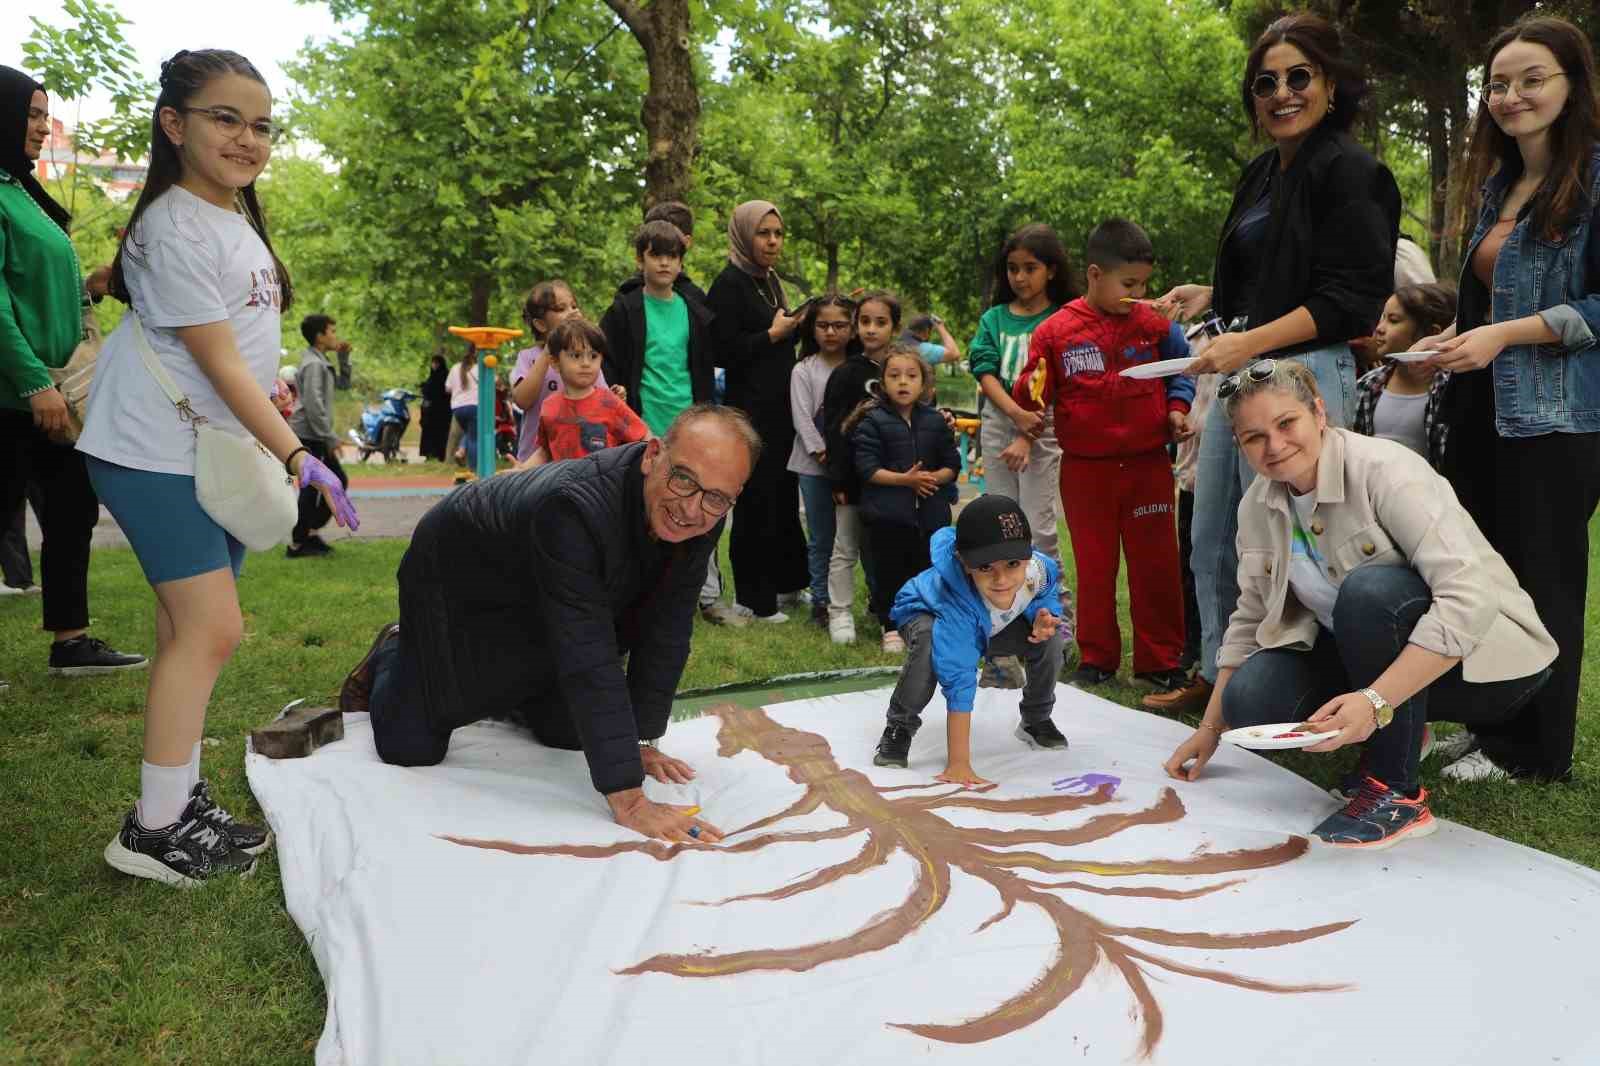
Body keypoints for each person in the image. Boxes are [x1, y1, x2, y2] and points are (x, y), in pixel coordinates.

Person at [74, 49, 358, 885]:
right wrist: (300, 452)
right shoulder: (167, 225)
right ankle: (154, 831)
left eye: (261, 124)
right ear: (175, 125)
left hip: (202, 454)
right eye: (225, 118)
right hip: (150, 452)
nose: (247, 138)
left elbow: (239, 352)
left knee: (184, 632)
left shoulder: (231, 220)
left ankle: (177, 798)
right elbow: (221, 367)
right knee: (211, 628)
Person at [1162, 362, 1554, 849]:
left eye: (1287, 424)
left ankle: (1396, 793)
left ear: (1319, 412)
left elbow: (1468, 598)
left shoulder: (1386, 469)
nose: (1275, 446)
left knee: (1370, 593)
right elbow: (1248, 619)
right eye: (1254, 437)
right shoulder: (1256, 506)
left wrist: (1374, 702)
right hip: (1371, 654)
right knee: (1253, 698)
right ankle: (1404, 728)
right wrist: (1211, 728)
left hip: (1487, 663)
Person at [339, 406, 757, 844]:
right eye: (683, 479)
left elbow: (668, 628)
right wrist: (631, 801)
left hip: (549, 590)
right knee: (411, 745)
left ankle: (526, 688)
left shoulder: (708, 511)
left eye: (716, 497)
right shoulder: (574, 508)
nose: (692, 509)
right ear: (653, 455)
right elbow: (589, 656)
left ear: (732, 496)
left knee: (569, 733)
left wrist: (637, 741)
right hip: (459, 577)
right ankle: (394, 649)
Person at [1149, 13, 1401, 716]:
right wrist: (1214, 296)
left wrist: (1252, 338)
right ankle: (1218, 679)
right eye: (1266, 82)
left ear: (1329, 85)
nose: (1281, 93)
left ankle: (1334, 691)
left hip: (1309, 376)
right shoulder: (1261, 171)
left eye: (1299, 77)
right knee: (1215, 539)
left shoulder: (1354, 171)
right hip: (1242, 376)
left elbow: (1353, 300)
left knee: (1309, 543)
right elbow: (1269, 275)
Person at [1418, 13, 1600, 782]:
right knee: (1488, 574)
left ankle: (1537, 752)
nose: (1512, 95)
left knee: (1545, 576)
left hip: (1556, 419)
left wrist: (1505, 335)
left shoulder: (1593, 177)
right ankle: (1493, 727)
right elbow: (1491, 304)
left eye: (1532, 79)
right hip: (1480, 410)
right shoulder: (1499, 182)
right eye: (1498, 83)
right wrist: (1456, 338)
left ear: (1571, 86)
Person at [0, 65, 147, 679]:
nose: (41, 126)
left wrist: (90, 286)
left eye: (44, 114)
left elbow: (37, 285)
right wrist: (33, 382)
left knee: (70, 511)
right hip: (15, 396)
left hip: (58, 391)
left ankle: (72, 639)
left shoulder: (21, 190)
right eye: (32, 114)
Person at [1012, 219, 1195, 692]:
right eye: (1128, 284)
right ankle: (1097, 658)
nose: (1139, 293)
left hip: (1148, 465)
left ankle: (1161, 660)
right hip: (1085, 471)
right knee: (1094, 566)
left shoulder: (1156, 325)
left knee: (1157, 564)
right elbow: (1034, 387)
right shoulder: (1057, 331)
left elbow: (1183, 371)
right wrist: (1027, 404)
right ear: (1095, 275)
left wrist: (1177, 409)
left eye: (1144, 284)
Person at [872, 494, 1068, 782]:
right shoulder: (956, 601)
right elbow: (958, 675)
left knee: (1051, 640)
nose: (1001, 580)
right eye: (986, 567)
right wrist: (959, 763)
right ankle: (899, 726)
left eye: (1012, 564)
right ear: (964, 562)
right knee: (929, 647)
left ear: (1028, 557)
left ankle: (1035, 719)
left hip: (984, 620)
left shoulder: (1038, 570)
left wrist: (1043, 614)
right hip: (925, 611)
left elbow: (1046, 592)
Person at [706, 200, 808, 622]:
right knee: (756, 502)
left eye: (777, 234)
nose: (771, 242)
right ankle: (755, 597)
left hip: (781, 408)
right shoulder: (729, 284)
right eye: (763, 233)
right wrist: (771, 334)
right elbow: (722, 350)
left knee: (783, 497)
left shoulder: (770, 281)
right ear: (744, 235)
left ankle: (787, 584)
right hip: (749, 411)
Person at [967, 223, 1075, 583]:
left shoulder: (1063, 318)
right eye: (1013, 268)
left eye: (1030, 268)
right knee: (1001, 521)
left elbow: (1059, 380)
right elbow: (984, 370)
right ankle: (1009, 607)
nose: (1020, 277)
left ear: (1052, 270)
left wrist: (1028, 433)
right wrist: (1014, 414)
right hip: (1000, 422)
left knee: (1037, 525)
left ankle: (1053, 610)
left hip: (1043, 425)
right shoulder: (994, 318)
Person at [848, 345, 960, 654]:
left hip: (931, 517)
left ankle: (924, 625)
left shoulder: (936, 421)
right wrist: (906, 481)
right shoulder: (872, 420)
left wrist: (931, 479)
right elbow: (867, 469)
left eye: (911, 376)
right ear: (882, 383)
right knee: (889, 573)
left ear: (924, 383)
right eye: (894, 375)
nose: (903, 382)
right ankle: (891, 627)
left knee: (927, 572)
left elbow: (952, 465)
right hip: (886, 516)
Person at [818, 290, 896, 644]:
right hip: (854, 479)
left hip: (893, 480)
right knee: (845, 547)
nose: (871, 329)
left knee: (885, 552)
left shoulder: (905, 369)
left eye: (880, 322)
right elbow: (833, 431)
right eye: (864, 321)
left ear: (894, 326)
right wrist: (838, 477)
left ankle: (890, 617)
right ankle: (839, 613)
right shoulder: (846, 374)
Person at [599, 220, 716, 435]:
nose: (664, 263)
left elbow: (705, 372)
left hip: (689, 423)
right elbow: (604, 360)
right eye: (655, 255)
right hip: (640, 423)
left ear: (681, 262)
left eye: (672, 256)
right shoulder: (623, 311)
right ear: (639, 260)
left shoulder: (696, 313)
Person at [787, 292, 857, 627]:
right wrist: (823, 453)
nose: (831, 332)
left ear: (853, 328)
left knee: (853, 536)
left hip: (854, 469)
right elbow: (802, 418)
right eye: (823, 325)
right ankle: (820, 600)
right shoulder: (803, 370)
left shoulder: (860, 369)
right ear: (812, 329)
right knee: (821, 536)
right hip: (813, 466)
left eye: (840, 325)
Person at [519, 318, 648, 466]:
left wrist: (661, 460)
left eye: (593, 356)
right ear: (555, 362)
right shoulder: (549, 406)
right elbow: (545, 451)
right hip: (562, 487)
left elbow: (643, 435)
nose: (586, 363)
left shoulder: (609, 402)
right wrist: (521, 470)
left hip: (602, 487)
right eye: (576, 355)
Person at [1351, 283, 1456, 465]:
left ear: (1433, 332)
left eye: (1393, 320)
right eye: (1381, 318)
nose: (1379, 328)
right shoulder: (1367, 385)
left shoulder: (1453, 387)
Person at [286, 313, 349, 558]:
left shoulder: (321, 360)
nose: (335, 335)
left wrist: (344, 358)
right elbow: (313, 404)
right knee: (321, 487)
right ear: (320, 336)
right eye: (332, 331)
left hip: (316, 434)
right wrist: (329, 437)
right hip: (309, 435)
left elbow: (343, 384)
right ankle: (299, 541)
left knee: (329, 484)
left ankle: (307, 536)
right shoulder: (313, 364)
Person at [445, 342, 480, 471]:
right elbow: (494, 382)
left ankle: (461, 451)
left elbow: (447, 388)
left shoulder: (455, 367)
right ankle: (474, 469)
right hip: (474, 406)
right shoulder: (480, 368)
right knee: (474, 438)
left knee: (470, 433)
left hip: (457, 408)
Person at [418, 353, 451, 461]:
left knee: (440, 433)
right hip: (430, 412)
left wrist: (426, 388)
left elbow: (441, 391)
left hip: (441, 411)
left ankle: (440, 454)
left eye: (436, 363)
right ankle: (429, 454)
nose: (434, 365)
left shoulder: (445, 375)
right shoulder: (432, 376)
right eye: (433, 363)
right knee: (429, 432)